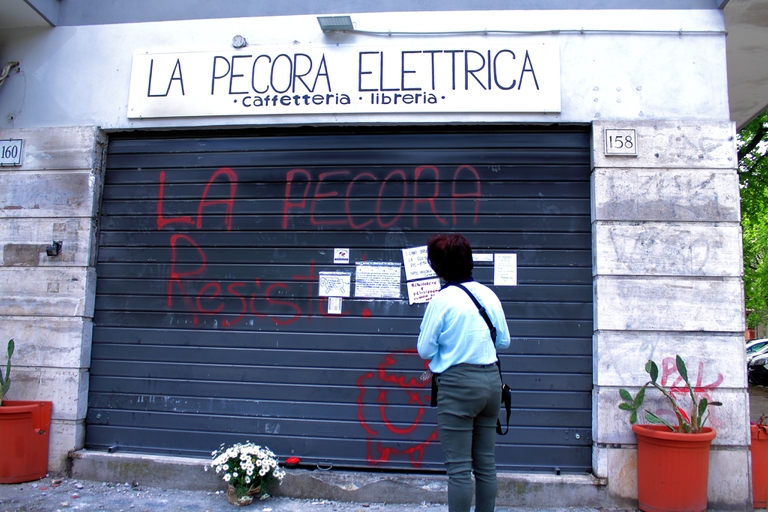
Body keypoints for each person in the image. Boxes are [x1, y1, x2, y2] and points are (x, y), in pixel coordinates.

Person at [417, 234, 511, 512]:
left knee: (458, 470)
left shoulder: (442, 300)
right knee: (486, 465)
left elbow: (424, 349)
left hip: (457, 387)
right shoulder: (489, 295)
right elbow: (503, 341)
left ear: (438, 268)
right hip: (492, 383)